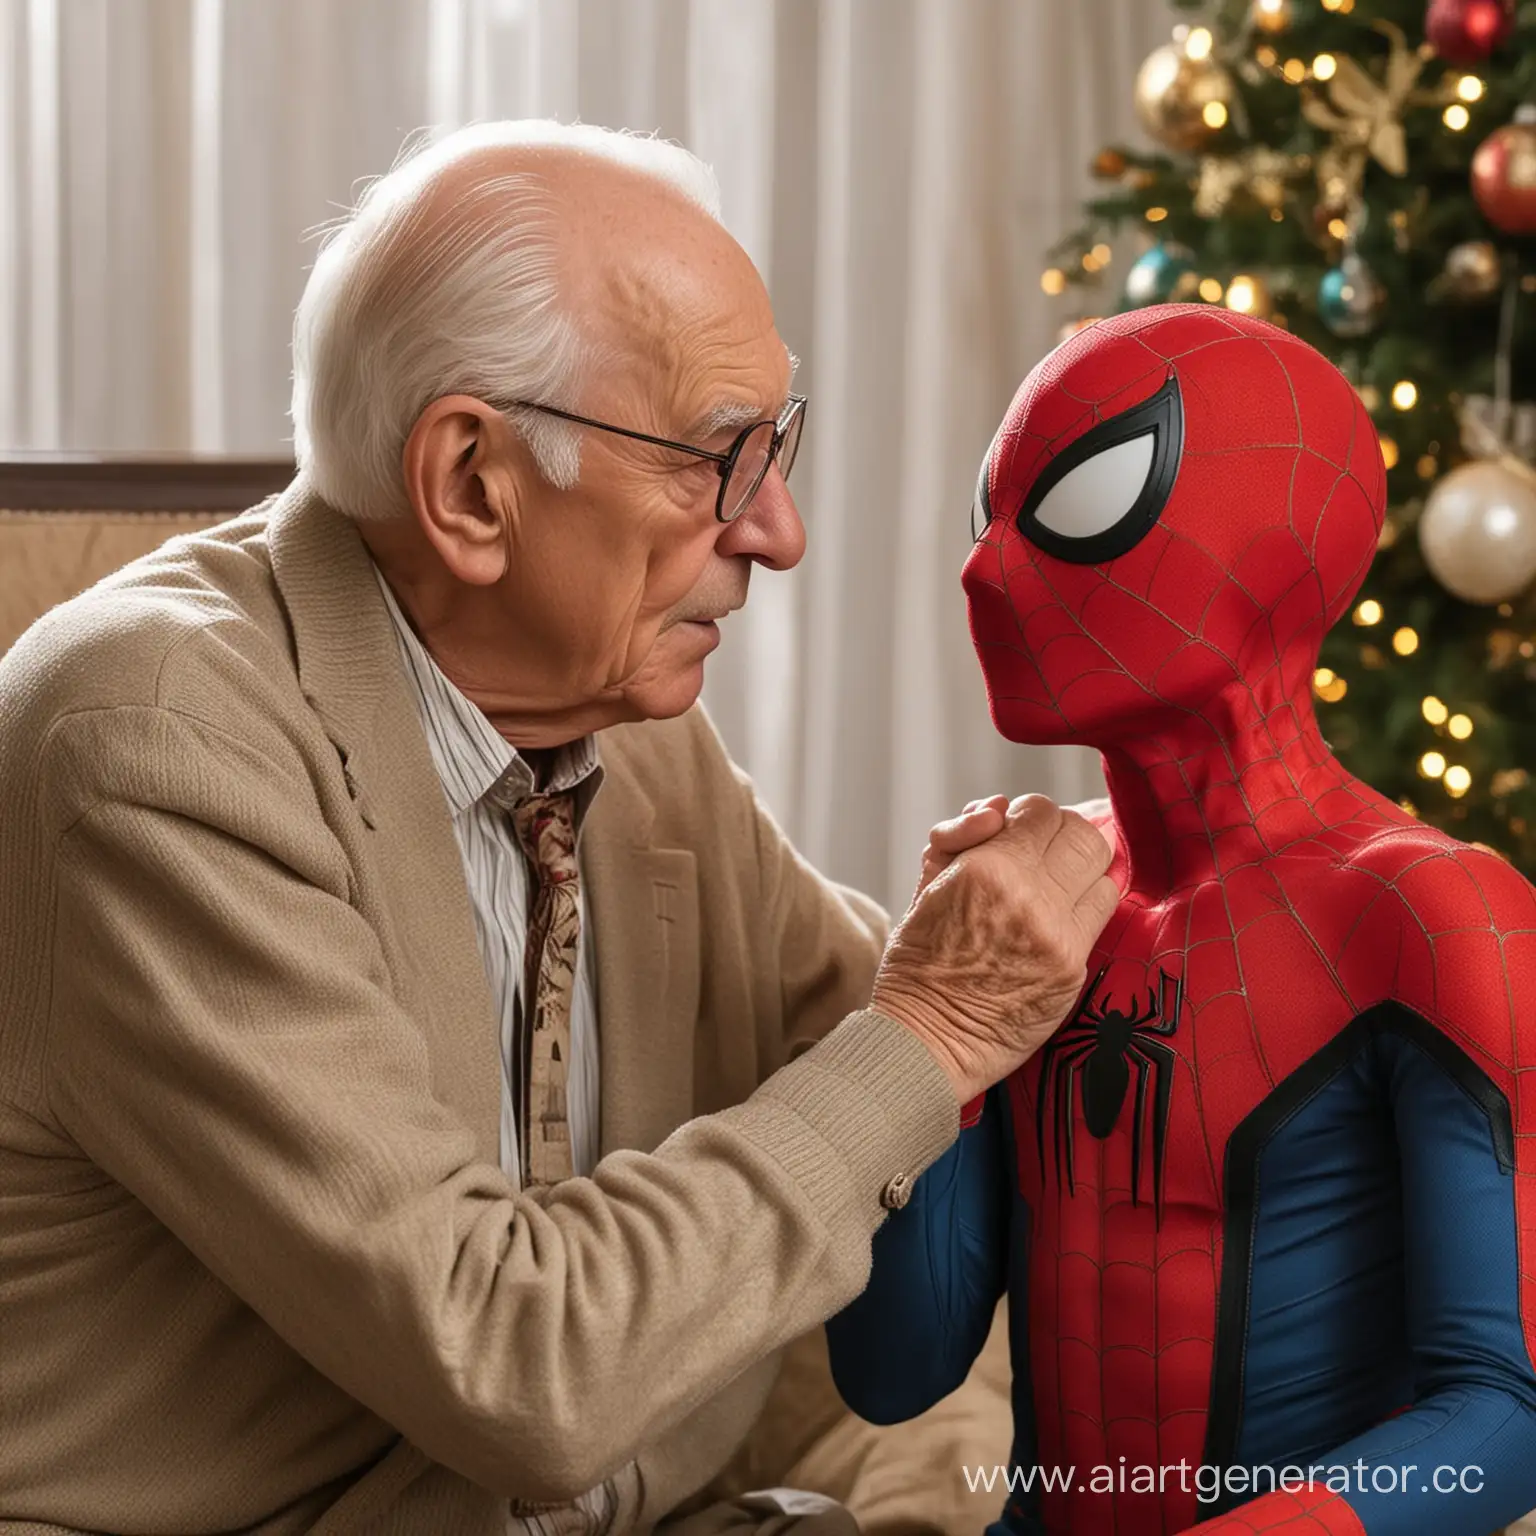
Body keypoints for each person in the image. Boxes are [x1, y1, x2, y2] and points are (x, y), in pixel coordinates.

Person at [0, 120, 1117, 1535]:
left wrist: (1084, 923)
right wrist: (939, 1023)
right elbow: (518, 1366)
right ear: (471, 484)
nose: (780, 530)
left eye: (780, 445)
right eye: (721, 457)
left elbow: (872, 1047)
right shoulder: (153, 741)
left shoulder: (630, 734)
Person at [826, 305, 1536, 1536]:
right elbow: (896, 1373)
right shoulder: (1037, 901)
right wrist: (935, 1025)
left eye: (1082, 494)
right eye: (984, 516)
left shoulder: (1425, 913)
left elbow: (1509, 1416)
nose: (983, 570)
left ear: (1275, 540)